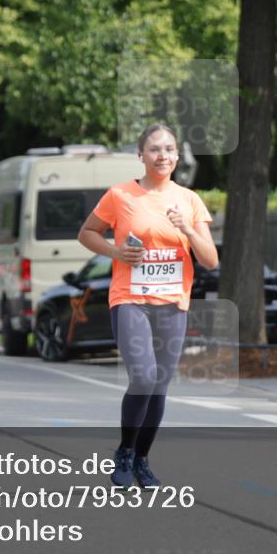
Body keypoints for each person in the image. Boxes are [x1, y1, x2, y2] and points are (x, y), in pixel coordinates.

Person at [77, 123, 217, 489]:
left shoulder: (189, 200)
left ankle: (142, 460)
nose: (163, 155)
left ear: (177, 156)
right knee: (143, 376)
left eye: (170, 149)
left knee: (160, 385)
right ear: (141, 156)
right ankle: (124, 451)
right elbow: (86, 233)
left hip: (173, 302)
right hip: (131, 299)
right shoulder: (120, 195)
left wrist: (187, 230)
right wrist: (115, 251)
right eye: (155, 149)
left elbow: (211, 260)